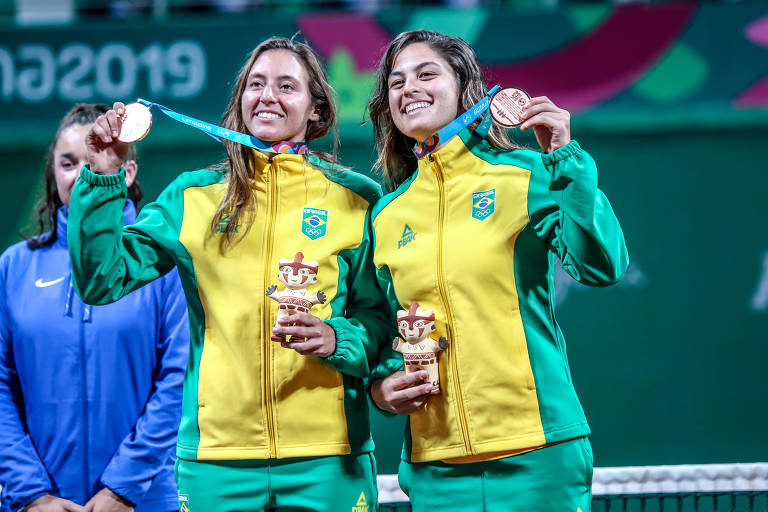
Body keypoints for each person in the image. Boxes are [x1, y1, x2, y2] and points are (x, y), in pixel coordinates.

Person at [67, 38, 391, 512]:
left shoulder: (357, 199)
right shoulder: (193, 197)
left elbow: (380, 320)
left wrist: (334, 338)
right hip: (217, 460)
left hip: (328, 457)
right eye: (255, 84)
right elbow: (102, 280)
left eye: (287, 86)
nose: (267, 96)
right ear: (240, 99)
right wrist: (101, 177)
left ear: (315, 108)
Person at [366, 30, 629, 512]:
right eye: (396, 82)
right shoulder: (386, 216)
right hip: (435, 464)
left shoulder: (527, 173)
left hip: (538, 452)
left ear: (466, 88)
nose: (409, 88)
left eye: (427, 74)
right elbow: (385, 327)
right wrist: (383, 387)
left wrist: (565, 158)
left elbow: (602, 265)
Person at [0, 104, 189, 512]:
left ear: (128, 171)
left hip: (144, 499)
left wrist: (122, 490)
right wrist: (31, 495)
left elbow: (179, 382)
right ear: (52, 172)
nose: (79, 175)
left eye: (93, 162)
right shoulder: (13, 268)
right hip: (38, 503)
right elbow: (0, 386)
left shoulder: (161, 263)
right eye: (68, 163)